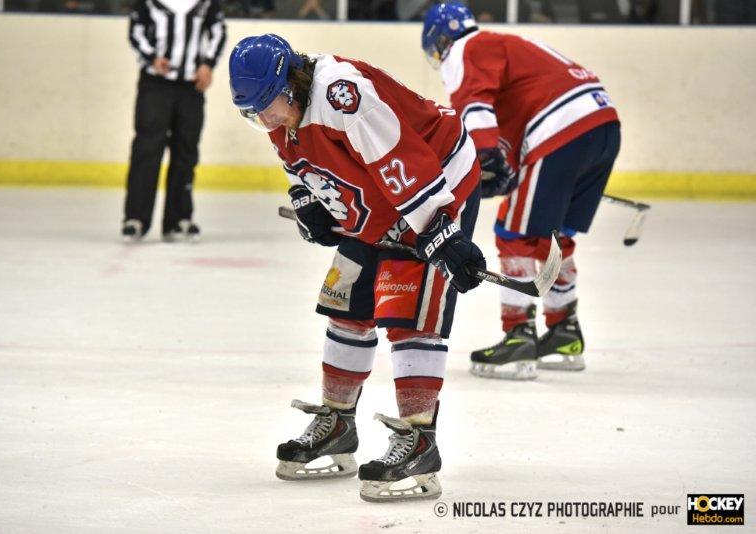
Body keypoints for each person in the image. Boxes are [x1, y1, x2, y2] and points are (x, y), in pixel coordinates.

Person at [228, 34, 486, 502]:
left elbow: (399, 159)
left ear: (294, 81)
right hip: (373, 192)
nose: (265, 119)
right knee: (347, 302)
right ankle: (338, 423)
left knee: (409, 310)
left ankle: (420, 438)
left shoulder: (341, 95)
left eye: (268, 106)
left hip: (434, 180)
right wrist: (308, 197)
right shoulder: (279, 102)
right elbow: (293, 152)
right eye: (254, 113)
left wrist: (440, 231)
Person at [422, 3, 621, 380]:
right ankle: (563, 329)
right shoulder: (506, 46)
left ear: (440, 40)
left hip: (562, 128)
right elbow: (514, 127)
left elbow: (474, 104)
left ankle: (518, 336)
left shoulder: (466, 48)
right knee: (551, 234)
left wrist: (483, 156)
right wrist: (500, 167)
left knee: (514, 231)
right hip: (602, 125)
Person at [122, 0, 226, 242]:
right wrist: (151, 57)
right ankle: (135, 218)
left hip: (191, 86)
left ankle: (179, 219)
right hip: (155, 84)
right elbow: (135, 30)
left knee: (186, 150)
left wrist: (208, 64)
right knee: (146, 149)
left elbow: (218, 31)